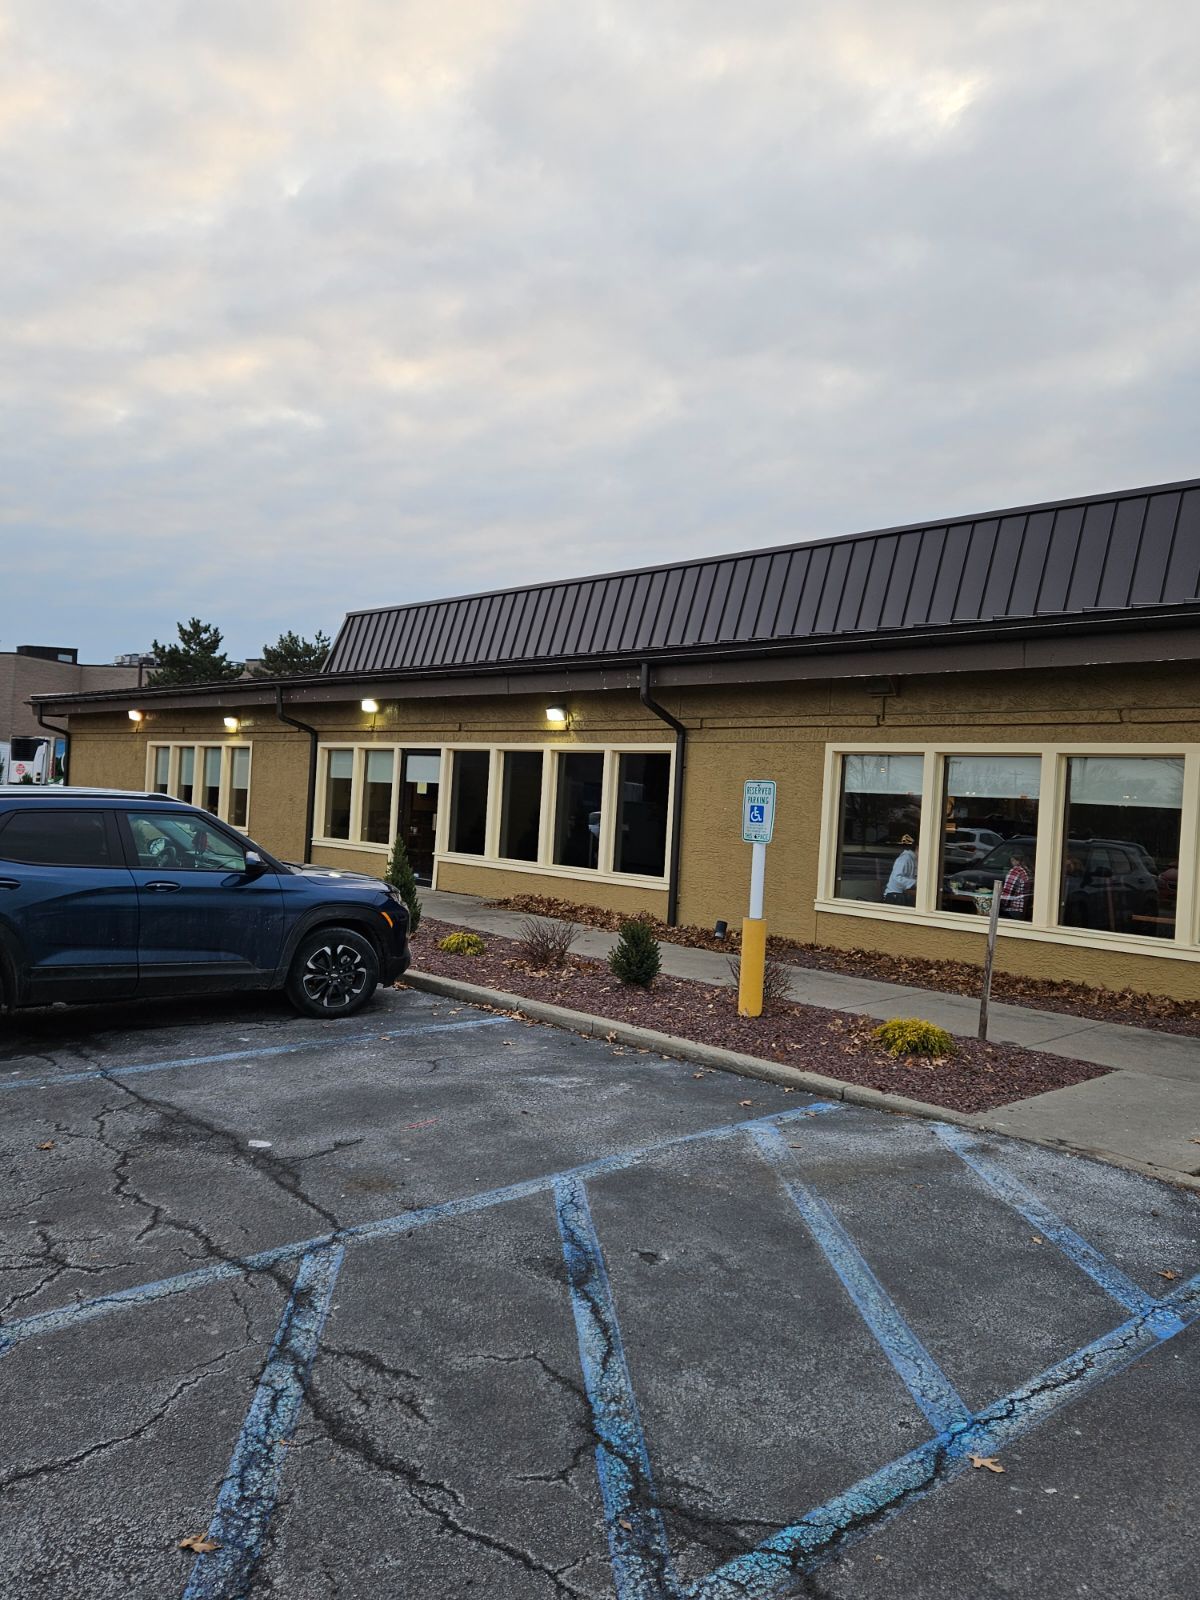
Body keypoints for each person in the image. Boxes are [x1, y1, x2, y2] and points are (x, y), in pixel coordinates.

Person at [884, 834, 917, 904]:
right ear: (917, 848)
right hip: (895, 896)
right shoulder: (904, 859)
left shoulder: (912, 859)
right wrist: (916, 882)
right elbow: (897, 878)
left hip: (900, 895)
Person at [999, 848, 1032, 919]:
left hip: (1013, 910)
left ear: (1013, 859)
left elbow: (1007, 895)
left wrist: (998, 903)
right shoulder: (1027, 870)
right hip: (1023, 909)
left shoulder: (1015, 871)